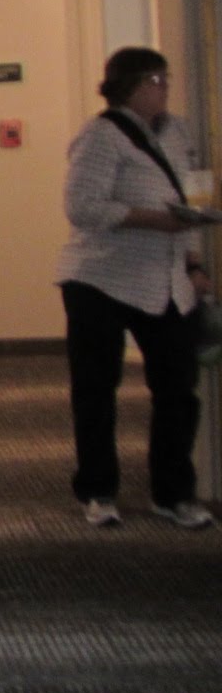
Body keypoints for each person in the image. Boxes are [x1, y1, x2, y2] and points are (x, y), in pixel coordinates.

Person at [56, 47, 214, 529]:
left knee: (178, 389)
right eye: (155, 80)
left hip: (166, 281)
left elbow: (188, 202)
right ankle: (98, 490)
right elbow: (83, 207)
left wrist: (194, 263)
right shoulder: (101, 135)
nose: (164, 88)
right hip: (101, 278)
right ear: (129, 85)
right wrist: (152, 220)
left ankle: (174, 493)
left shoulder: (179, 131)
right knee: (97, 388)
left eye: (166, 79)